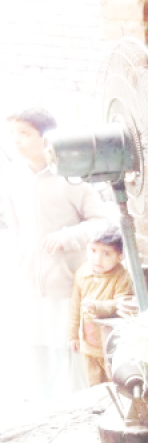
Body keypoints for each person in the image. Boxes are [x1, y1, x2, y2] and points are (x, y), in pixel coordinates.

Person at [0, 106, 112, 403]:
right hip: (29, 284)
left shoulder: (71, 176)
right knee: (35, 354)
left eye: (24, 133)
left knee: (72, 354)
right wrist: (18, 263)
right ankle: (41, 412)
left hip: (68, 283)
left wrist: (67, 237)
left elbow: (102, 222)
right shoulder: (11, 178)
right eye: (13, 133)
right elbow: (14, 228)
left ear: (46, 137)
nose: (16, 140)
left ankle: (79, 411)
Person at [68, 221, 134, 386]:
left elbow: (121, 304)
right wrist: (73, 335)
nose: (97, 258)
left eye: (106, 253)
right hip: (88, 345)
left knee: (114, 383)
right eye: (93, 250)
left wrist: (98, 307)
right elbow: (75, 306)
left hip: (110, 346)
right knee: (94, 385)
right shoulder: (83, 273)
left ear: (119, 256)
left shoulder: (122, 277)